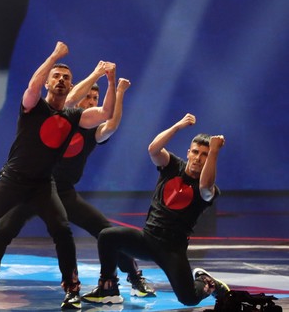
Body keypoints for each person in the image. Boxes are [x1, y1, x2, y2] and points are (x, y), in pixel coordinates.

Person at [0, 41, 117, 309]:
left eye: (66, 77)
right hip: (12, 181)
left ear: (72, 85)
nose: (61, 80)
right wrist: (54, 56)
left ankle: (72, 288)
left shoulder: (75, 115)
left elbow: (106, 113)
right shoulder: (33, 106)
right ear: (47, 83)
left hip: (42, 185)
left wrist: (110, 80)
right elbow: (31, 87)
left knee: (62, 231)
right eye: (56, 76)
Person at [0, 76, 157, 304]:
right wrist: (96, 75)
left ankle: (135, 277)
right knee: (4, 230)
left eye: (95, 98)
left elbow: (112, 124)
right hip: (33, 187)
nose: (91, 101)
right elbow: (69, 98)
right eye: (88, 96)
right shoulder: (62, 118)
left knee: (107, 232)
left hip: (63, 192)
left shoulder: (92, 132)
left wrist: (119, 92)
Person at [85, 113, 229, 306]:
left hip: (172, 250)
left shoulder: (208, 188)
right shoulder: (172, 166)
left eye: (204, 155)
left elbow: (205, 185)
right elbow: (153, 149)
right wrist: (177, 126)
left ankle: (206, 282)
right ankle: (108, 287)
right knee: (108, 236)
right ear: (188, 153)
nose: (198, 158)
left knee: (188, 298)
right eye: (195, 152)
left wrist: (214, 152)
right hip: (147, 240)